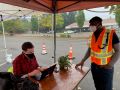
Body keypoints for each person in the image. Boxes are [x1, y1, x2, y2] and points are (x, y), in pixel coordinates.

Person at [75, 16, 120, 90]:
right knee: (98, 87)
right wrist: (82, 61)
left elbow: (118, 50)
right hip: (94, 67)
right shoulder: (93, 35)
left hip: (106, 68)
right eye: (90, 24)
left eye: (93, 24)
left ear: (99, 24)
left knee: (106, 88)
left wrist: (110, 65)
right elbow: (90, 49)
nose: (91, 26)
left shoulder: (110, 33)